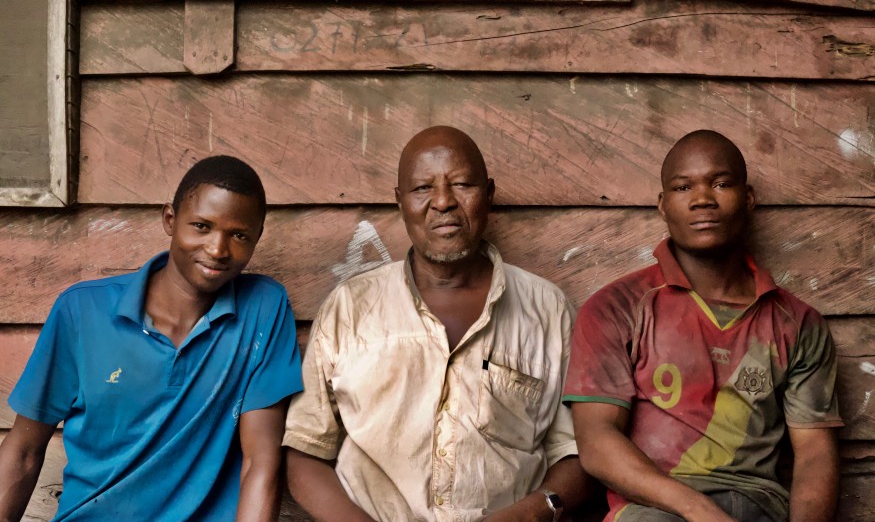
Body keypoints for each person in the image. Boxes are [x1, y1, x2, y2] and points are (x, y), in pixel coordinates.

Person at [283, 126, 590, 521]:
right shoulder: (351, 308)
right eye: (422, 188)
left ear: (489, 195)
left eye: (462, 184)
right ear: (400, 201)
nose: (443, 201)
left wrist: (529, 513)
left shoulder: (546, 309)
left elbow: (578, 452)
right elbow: (304, 452)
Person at [0, 156, 303, 521]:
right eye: (202, 226)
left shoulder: (263, 309)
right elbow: (23, 451)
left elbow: (260, 463)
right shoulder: (83, 311)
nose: (218, 249)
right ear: (170, 221)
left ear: (257, 237)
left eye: (238, 235)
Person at [564, 130, 843, 522]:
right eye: (683, 187)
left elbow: (815, 452)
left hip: (760, 509)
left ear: (747, 199)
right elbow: (597, 442)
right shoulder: (616, 308)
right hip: (653, 510)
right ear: (663, 205)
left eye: (721, 183)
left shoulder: (797, 324)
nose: (702, 200)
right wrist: (700, 512)